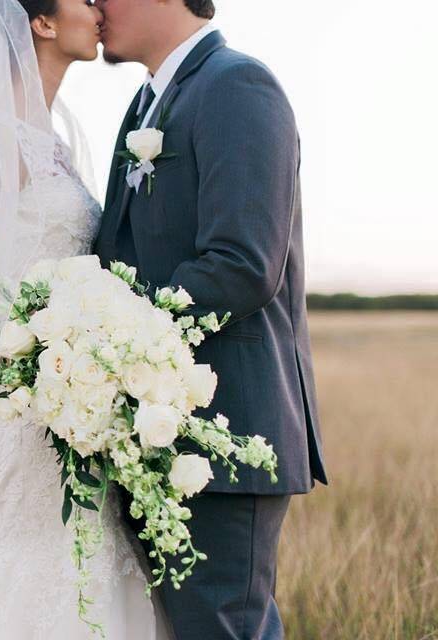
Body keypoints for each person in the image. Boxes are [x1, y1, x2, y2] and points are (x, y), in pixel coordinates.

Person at [0, 0, 171, 637]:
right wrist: (38, 379)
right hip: (29, 417)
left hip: (79, 414)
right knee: (32, 572)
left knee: (94, 572)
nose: (100, 7)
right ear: (43, 23)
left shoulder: (53, 139)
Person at [93, 1, 329, 638]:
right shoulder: (144, 107)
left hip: (226, 433)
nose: (92, 4)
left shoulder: (237, 86)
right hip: (153, 433)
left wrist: (103, 333)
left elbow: (242, 265)